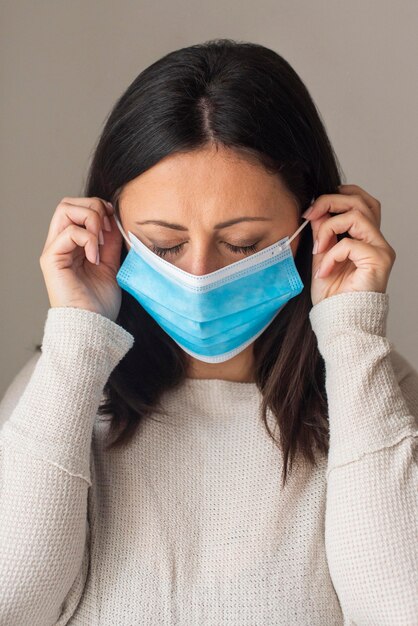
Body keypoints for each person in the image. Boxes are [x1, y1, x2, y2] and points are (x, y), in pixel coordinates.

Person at [0, 38, 417, 626]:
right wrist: (78, 334)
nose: (197, 275)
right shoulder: (62, 394)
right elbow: (11, 604)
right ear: (110, 228)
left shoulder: (378, 394)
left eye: (242, 244)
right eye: (164, 243)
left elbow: (399, 607)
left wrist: (351, 335)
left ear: (316, 224)